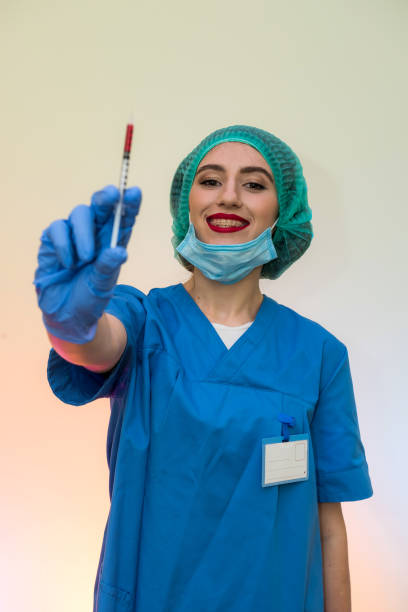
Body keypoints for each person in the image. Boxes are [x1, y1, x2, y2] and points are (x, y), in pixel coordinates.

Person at [34, 125, 373, 612]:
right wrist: (71, 322)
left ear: (284, 212)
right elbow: (95, 344)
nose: (229, 197)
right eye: (211, 180)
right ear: (187, 204)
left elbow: (328, 525)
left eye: (254, 184)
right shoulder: (144, 319)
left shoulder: (319, 354)